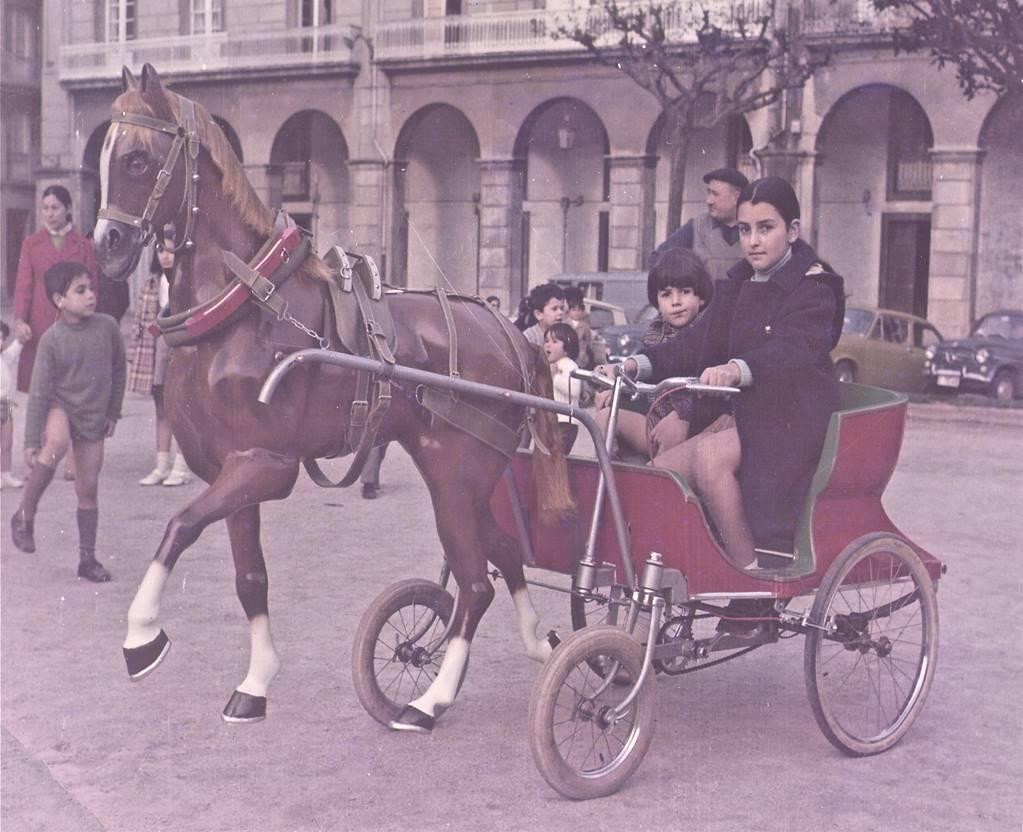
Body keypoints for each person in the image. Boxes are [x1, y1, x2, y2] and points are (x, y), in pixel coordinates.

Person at [623, 177, 844, 574]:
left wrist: (737, 369)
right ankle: (676, 573)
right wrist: (637, 364)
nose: (753, 241)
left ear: (792, 231)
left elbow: (793, 349)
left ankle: (751, 580)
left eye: (766, 228)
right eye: (745, 230)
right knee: (659, 477)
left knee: (709, 458)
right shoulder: (739, 283)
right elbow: (693, 343)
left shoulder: (815, 286)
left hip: (794, 419)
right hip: (749, 417)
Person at [10, 261, 127, 583]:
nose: (90, 295)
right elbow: (39, 393)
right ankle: (24, 514)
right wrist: (32, 441)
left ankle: (87, 560)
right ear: (60, 300)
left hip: (94, 415)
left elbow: (119, 372)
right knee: (57, 442)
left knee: (88, 488)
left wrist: (112, 413)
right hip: (61, 405)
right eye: (81, 290)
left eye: (91, 288)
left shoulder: (107, 328)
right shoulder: (51, 339)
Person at [14, 185, 99, 482]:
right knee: (41, 390)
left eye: (55, 208)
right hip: (40, 328)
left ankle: (74, 458)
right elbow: (24, 284)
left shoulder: (83, 245)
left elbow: (92, 285)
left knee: (74, 390)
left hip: (74, 327)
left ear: (67, 209)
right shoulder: (31, 244)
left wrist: (91, 318)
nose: (49, 214)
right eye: (45, 208)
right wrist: (20, 321)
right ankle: (37, 453)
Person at [594, 248, 713, 460]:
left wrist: (682, 415)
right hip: (653, 419)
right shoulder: (652, 336)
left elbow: (712, 393)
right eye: (666, 294)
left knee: (672, 436)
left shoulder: (708, 334)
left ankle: (660, 486)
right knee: (605, 418)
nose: (675, 301)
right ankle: (610, 480)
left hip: (691, 424)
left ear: (701, 297)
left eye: (684, 292)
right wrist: (616, 390)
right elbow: (639, 375)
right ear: (657, 302)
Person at [128, 230, 190, 487]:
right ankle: (161, 465)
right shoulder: (153, 282)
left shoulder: (187, 280)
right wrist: (135, 352)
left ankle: (181, 465)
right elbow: (140, 322)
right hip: (156, 352)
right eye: (161, 250)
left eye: (170, 250)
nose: (165, 256)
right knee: (161, 408)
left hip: (179, 350)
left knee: (181, 408)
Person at [655, 168, 749, 281]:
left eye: (715, 194)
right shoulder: (696, 226)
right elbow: (658, 259)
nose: (709, 201)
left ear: (736, 197)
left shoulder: (754, 229)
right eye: (708, 193)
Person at [543, 322, 581, 454]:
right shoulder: (552, 366)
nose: (548, 344)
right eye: (546, 340)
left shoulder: (569, 365)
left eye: (554, 341)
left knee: (556, 456)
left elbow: (574, 390)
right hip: (552, 421)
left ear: (567, 348)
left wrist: (555, 377)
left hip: (565, 422)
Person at [1, 321, 26, 489]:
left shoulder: (6, 357)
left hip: (6, 404)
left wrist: (22, 336)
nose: (0, 342)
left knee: (7, 443)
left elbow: (17, 345)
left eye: (2, 338)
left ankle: (6, 473)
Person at [563, 286, 602, 370]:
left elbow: (588, 340)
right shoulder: (565, 320)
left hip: (581, 357)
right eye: (574, 310)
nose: (577, 312)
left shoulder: (584, 322)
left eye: (579, 310)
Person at [518, 283, 566, 347]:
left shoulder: (566, 333)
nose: (560, 312)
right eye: (554, 309)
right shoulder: (529, 337)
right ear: (539, 314)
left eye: (562, 308)